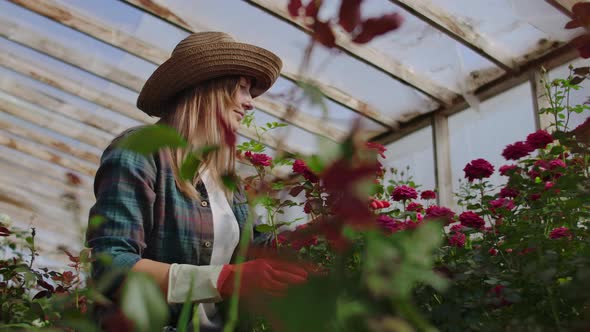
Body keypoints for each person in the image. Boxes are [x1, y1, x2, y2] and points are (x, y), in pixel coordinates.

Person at [86, 32, 308, 331]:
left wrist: (317, 237)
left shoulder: (224, 176)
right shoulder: (140, 152)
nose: (250, 102)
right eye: (242, 88)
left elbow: (251, 250)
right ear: (209, 86)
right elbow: (111, 265)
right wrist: (224, 280)